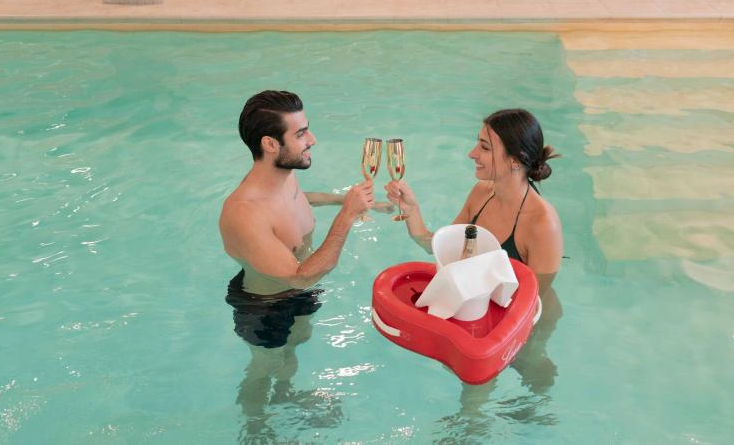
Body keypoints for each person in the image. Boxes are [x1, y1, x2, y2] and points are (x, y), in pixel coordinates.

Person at [219, 90, 389, 435]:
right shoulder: (244, 213)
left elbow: (300, 199)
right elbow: (300, 277)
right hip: (264, 305)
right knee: (264, 366)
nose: (311, 140)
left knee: (296, 343)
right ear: (269, 144)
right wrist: (347, 214)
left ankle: (284, 395)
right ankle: (255, 427)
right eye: (300, 134)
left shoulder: (284, 174)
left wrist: (348, 200)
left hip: (295, 292)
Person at [384, 108, 563, 292]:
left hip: (527, 318)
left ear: (515, 160)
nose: (472, 153)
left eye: (485, 147)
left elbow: (534, 300)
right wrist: (411, 211)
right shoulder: (482, 192)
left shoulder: (542, 224)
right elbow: (438, 247)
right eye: (478, 143)